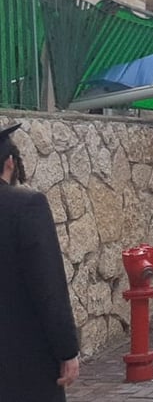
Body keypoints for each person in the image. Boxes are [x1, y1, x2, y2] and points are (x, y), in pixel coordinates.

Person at [0, 123, 80, 401]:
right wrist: (67, 350)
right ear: (10, 163)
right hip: (23, 364)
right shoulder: (25, 207)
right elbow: (48, 288)